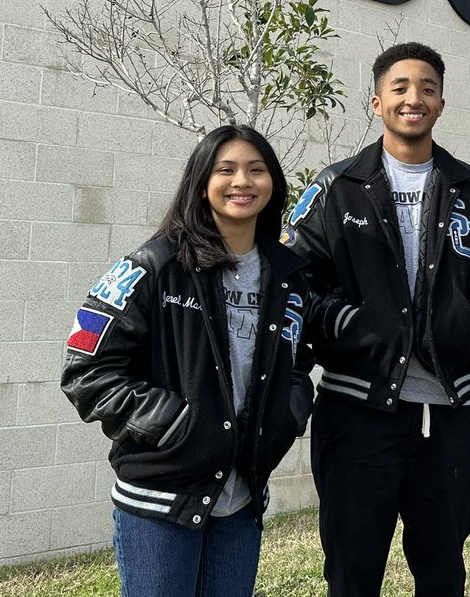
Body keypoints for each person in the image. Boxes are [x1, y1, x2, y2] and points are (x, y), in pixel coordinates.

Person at [283, 41, 470, 597]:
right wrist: (346, 324)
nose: (414, 98)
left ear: (440, 103)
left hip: (450, 415)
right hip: (356, 412)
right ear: (376, 101)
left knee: (442, 573)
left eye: (427, 89)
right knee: (352, 572)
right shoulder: (335, 186)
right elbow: (296, 284)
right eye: (400, 88)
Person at [60, 125, 313, 597]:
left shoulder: (289, 277)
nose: (243, 181)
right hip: (161, 501)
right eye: (227, 169)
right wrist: (175, 424)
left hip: (240, 503)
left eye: (256, 170)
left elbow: (299, 361)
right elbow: (85, 368)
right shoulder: (154, 266)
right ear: (202, 182)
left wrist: (289, 409)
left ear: (273, 183)